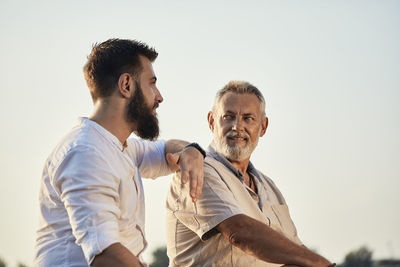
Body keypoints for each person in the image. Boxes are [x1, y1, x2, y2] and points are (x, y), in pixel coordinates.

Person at [34, 38, 205, 267]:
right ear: (126, 85)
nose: (159, 96)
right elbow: (105, 254)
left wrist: (191, 150)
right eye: (152, 83)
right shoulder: (86, 153)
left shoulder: (122, 147)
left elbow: (165, 150)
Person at [166, 81, 335, 267]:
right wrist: (321, 263)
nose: (237, 127)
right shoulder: (199, 170)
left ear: (263, 127)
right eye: (228, 117)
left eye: (248, 118)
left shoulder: (268, 186)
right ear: (212, 121)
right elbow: (240, 232)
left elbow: (292, 252)